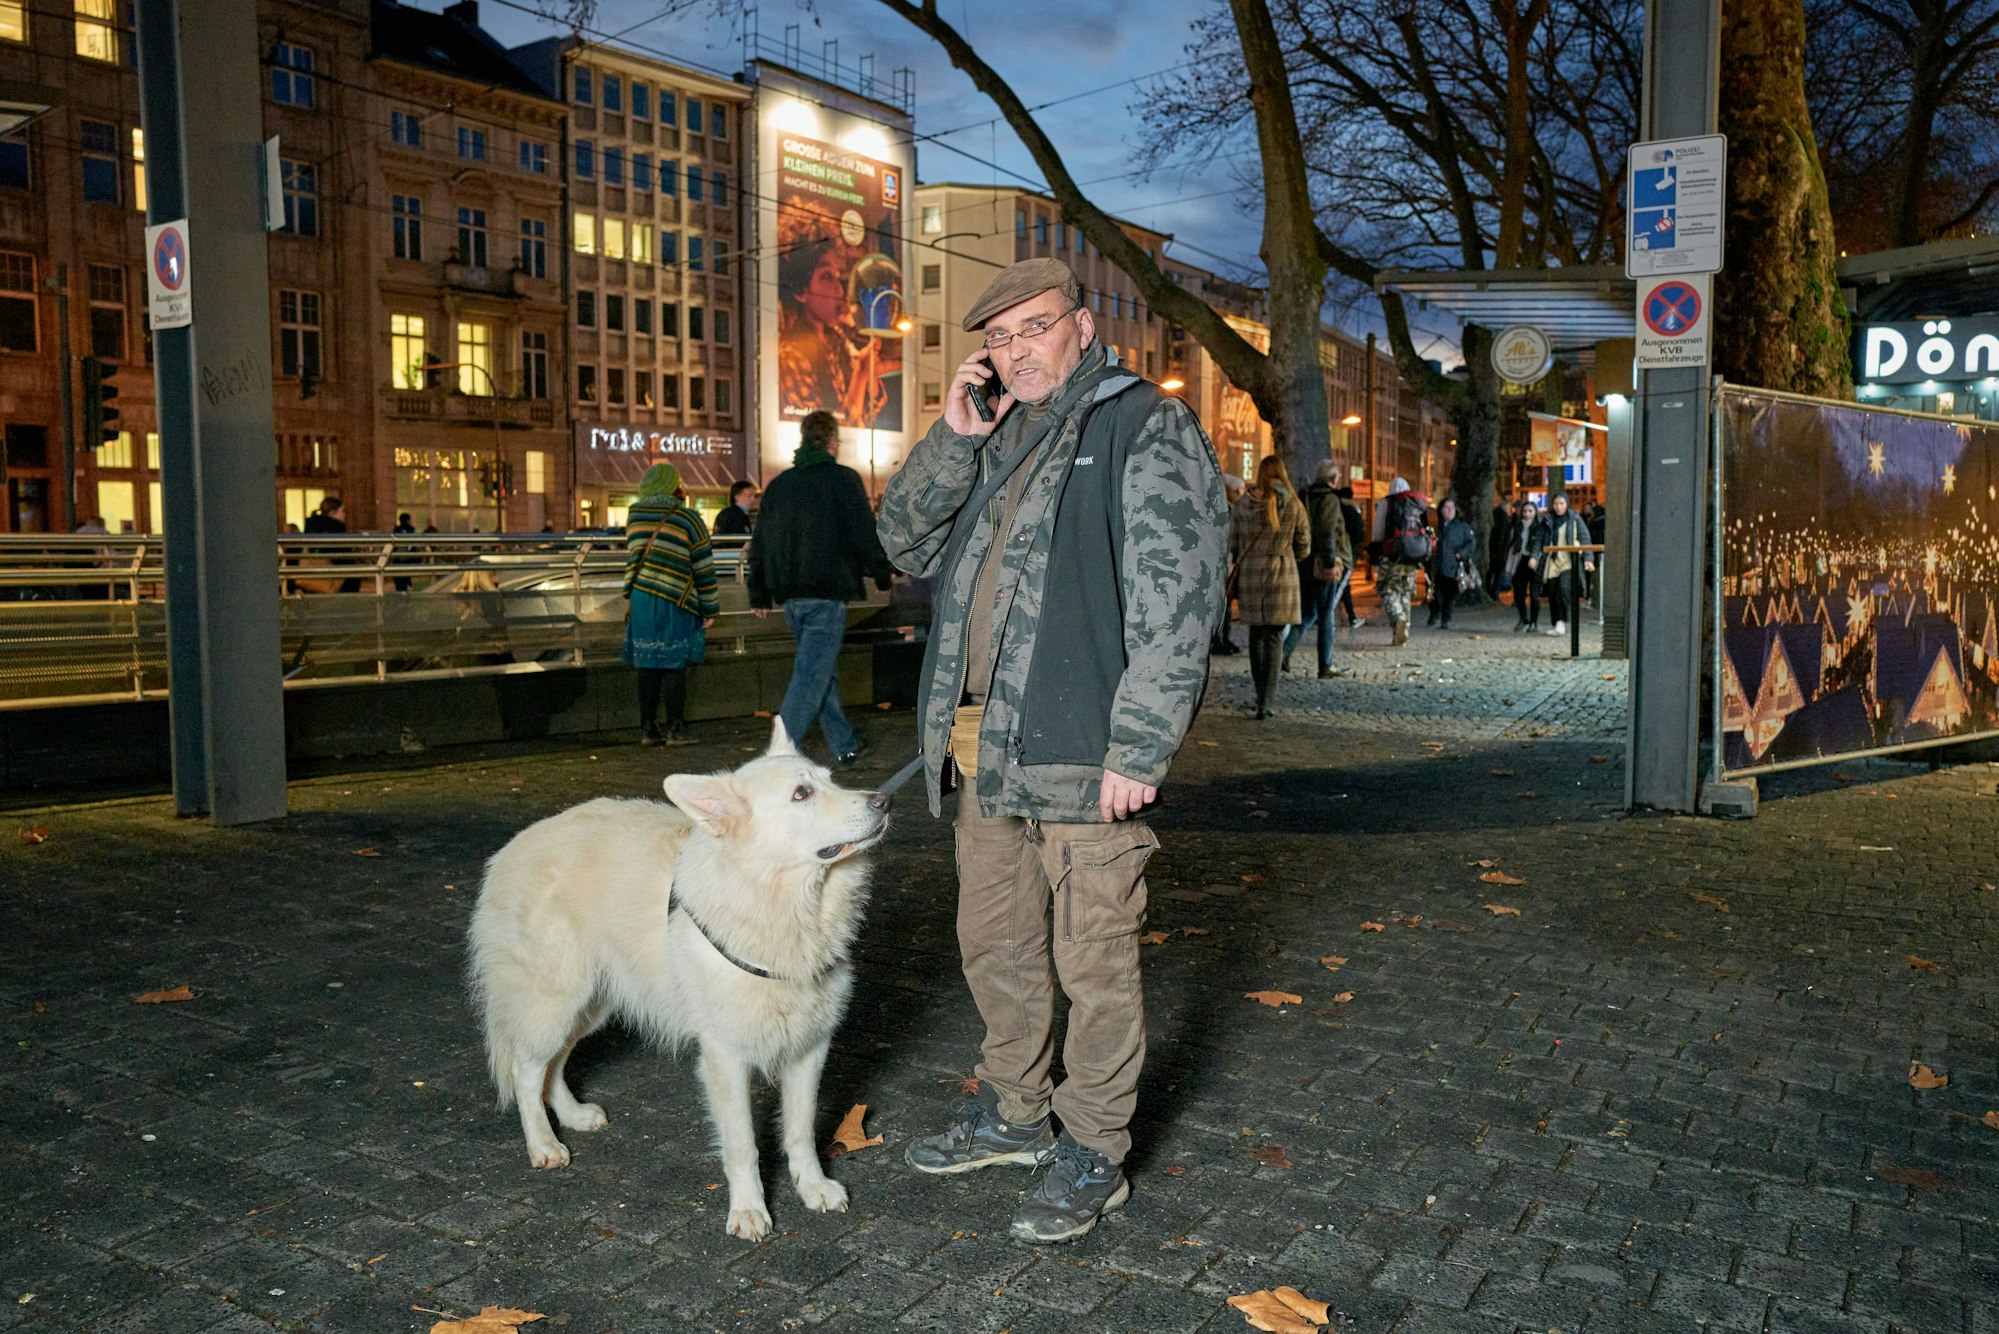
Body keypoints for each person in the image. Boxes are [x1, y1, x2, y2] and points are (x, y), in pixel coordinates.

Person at [876, 257, 1227, 1245]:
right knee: (996, 948)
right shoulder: (990, 436)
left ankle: (1093, 1147)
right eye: (998, 336)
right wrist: (952, 440)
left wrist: (1142, 743)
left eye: (1034, 327)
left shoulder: (1141, 425)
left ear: (1081, 324)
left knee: (1096, 964)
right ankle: (1017, 1112)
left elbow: (1179, 595)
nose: (1016, 348)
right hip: (981, 751)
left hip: (1084, 753)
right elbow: (901, 541)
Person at [746, 409, 894, 767]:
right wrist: (881, 572)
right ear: (831, 442)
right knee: (811, 674)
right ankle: (777, 757)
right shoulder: (843, 480)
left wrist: (759, 591)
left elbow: (761, 540)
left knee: (817, 669)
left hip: (790, 597)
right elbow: (862, 531)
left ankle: (845, 742)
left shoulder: (780, 485)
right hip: (826, 593)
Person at [623, 462, 718, 745]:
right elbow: (703, 566)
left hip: (642, 597)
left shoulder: (635, 516)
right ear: (673, 484)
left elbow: (634, 555)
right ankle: (676, 730)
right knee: (674, 664)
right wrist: (710, 607)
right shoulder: (688, 518)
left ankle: (648, 729)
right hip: (676, 599)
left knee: (647, 664)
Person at [1232, 455, 1311, 717]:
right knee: (1275, 637)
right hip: (1282, 575)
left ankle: (1259, 695)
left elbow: (1232, 544)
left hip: (1252, 576)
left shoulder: (1243, 505)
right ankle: (1268, 701)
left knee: (1256, 635)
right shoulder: (1294, 504)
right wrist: (1286, 555)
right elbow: (1304, 546)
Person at [1283, 461, 1352, 678]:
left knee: (1308, 612)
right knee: (1326, 614)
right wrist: (1331, 562)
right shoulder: (1329, 499)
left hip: (1306, 563)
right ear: (1333, 479)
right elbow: (1327, 532)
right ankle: (1326, 665)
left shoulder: (1306, 496)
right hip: (1323, 565)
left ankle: (1283, 653)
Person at [1376, 477, 1431, 646]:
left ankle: (1398, 619)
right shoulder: (1416, 504)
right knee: (1405, 593)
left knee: (1388, 590)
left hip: (1391, 556)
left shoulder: (1387, 503)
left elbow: (1377, 531)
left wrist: (1377, 547)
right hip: (1411, 557)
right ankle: (1403, 630)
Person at [1532, 491, 1595, 637]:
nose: (1558, 507)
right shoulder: (1547, 520)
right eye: (1556, 504)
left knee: (1563, 588)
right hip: (1552, 560)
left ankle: (1562, 621)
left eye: (1561, 503)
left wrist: (1588, 558)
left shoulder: (1574, 519)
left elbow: (1585, 538)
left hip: (1568, 560)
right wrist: (1534, 556)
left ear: (1567, 504)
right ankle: (1556, 622)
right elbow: (1539, 540)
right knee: (1553, 592)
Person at [1426, 497, 1477, 629]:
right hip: (1435, 566)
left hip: (1452, 566)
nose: (1449, 511)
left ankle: (1446, 619)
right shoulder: (1435, 525)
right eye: (1446, 508)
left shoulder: (1461, 526)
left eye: (1452, 508)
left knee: (1449, 595)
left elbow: (1471, 543)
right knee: (1433, 593)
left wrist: (1462, 553)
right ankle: (1434, 612)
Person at [1210, 473, 1246, 655]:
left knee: (1226, 602)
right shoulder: (1223, 509)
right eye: (1239, 490)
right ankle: (1218, 639)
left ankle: (1225, 638)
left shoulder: (1231, 508)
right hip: (1220, 563)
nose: (1243, 493)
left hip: (1226, 562)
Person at [1507, 498, 1542, 631]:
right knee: (1519, 593)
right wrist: (1509, 566)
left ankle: (1534, 622)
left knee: (1534, 593)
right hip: (1520, 559)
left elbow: (1539, 545)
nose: (1527, 514)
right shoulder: (1517, 526)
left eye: (1530, 511)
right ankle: (1523, 618)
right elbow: (1512, 547)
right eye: (1525, 511)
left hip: (1533, 560)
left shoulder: (1539, 527)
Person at [1337, 486, 1367, 628]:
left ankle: (1350, 616)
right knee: (1343, 585)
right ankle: (1351, 617)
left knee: (1342, 585)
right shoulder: (1353, 511)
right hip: (1347, 554)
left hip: (1334, 553)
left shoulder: (1335, 508)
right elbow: (1359, 536)